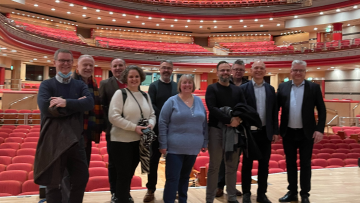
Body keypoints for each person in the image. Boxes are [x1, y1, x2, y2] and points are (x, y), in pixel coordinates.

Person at [34, 49, 94, 203]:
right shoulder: (46, 85)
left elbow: (89, 103)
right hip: (53, 140)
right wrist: (76, 105)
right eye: (62, 60)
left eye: (68, 61)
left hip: (76, 140)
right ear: (54, 63)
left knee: (80, 179)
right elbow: (47, 108)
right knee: (53, 183)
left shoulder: (79, 84)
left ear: (72, 63)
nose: (65, 64)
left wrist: (65, 102)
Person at [277, 60, 326, 203]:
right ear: (290, 71)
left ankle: (305, 194)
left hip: (307, 133)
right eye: (295, 70)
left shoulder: (314, 88)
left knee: (305, 164)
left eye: (301, 70)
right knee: (290, 163)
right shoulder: (283, 86)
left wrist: (320, 130)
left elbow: (321, 110)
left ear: (305, 72)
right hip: (288, 132)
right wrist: (275, 129)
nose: (298, 73)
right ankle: (292, 192)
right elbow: (275, 109)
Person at [108, 65, 156, 203]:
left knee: (129, 174)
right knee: (122, 175)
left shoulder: (145, 95)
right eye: (131, 77)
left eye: (136, 76)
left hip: (138, 142)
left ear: (140, 78)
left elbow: (152, 114)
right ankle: (121, 198)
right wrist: (134, 127)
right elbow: (113, 117)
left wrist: (151, 125)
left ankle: (121, 197)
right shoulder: (120, 94)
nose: (134, 79)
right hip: (121, 142)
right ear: (126, 79)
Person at [158, 74, 208, 203]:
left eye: (190, 82)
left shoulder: (198, 101)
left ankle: (182, 200)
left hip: (193, 147)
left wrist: (205, 141)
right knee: (173, 178)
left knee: (185, 178)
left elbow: (204, 123)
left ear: (193, 85)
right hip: (174, 148)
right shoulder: (172, 101)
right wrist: (162, 143)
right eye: (184, 82)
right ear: (180, 85)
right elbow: (162, 122)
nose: (187, 85)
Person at [61, 55, 104, 203]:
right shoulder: (69, 83)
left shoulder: (93, 83)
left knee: (81, 175)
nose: (88, 68)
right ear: (77, 68)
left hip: (86, 136)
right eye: (84, 65)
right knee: (68, 175)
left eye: (91, 65)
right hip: (70, 136)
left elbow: (95, 108)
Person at [206, 61, 247, 203]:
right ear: (217, 72)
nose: (224, 73)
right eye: (221, 70)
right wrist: (230, 120)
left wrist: (239, 121)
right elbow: (212, 108)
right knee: (214, 166)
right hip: (216, 131)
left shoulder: (237, 90)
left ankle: (231, 197)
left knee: (231, 166)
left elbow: (243, 108)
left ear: (230, 72)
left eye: (227, 70)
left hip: (234, 132)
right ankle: (209, 198)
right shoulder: (212, 88)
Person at [240, 60, 279, 203]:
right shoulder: (243, 89)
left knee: (264, 165)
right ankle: (246, 194)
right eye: (255, 68)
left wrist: (275, 130)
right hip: (249, 133)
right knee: (247, 164)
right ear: (251, 70)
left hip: (265, 132)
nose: (258, 70)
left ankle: (262, 194)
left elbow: (274, 112)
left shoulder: (270, 89)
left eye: (261, 68)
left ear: (265, 71)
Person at [144, 60, 178, 202]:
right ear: (159, 69)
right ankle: (151, 189)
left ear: (172, 70)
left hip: (174, 129)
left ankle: (172, 189)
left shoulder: (177, 86)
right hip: (157, 129)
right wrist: (165, 116)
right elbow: (151, 105)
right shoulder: (154, 86)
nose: (166, 70)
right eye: (164, 68)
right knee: (153, 160)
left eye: (169, 68)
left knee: (173, 160)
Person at [216, 59, 248, 197]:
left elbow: (247, 106)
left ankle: (231, 186)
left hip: (239, 127)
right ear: (231, 70)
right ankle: (219, 186)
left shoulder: (248, 85)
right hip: (222, 126)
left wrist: (238, 119)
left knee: (235, 159)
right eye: (236, 69)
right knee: (222, 158)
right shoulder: (223, 84)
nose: (238, 71)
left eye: (241, 69)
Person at [99, 58, 127, 202]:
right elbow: (101, 107)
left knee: (128, 163)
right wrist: (107, 126)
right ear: (111, 68)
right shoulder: (105, 84)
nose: (118, 68)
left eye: (120, 65)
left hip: (130, 131)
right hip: (113, 131)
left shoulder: (132, 82)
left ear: (125, 67)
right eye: (115, 66)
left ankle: (125, 192)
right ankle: (115, 193)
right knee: (114, 163)